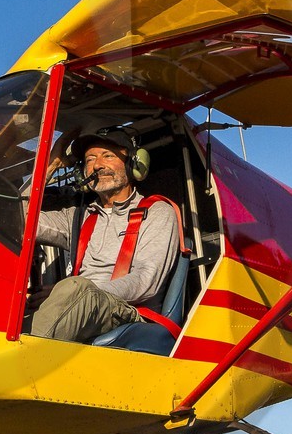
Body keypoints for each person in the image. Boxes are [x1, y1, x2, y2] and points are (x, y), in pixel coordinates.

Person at [27, 126, 182, 343]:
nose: (98, 165)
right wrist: (50, 167)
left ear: (134, 164)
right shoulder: (78, 217)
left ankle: (16, 363)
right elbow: (18, 222)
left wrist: (71, 292)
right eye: (90, 159)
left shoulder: (157, 212)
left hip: (128, 310)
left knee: (73, 287)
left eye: (108, 155)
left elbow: (146, 281)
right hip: (77, 302)